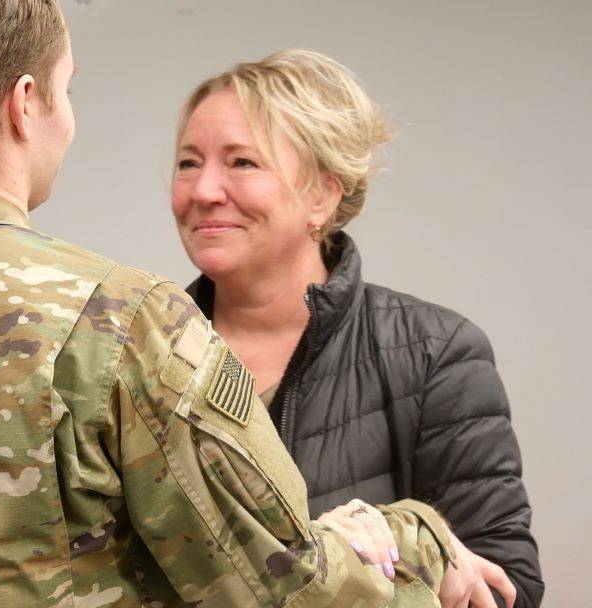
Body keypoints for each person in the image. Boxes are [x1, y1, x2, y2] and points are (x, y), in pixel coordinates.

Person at [0, 3, 455, 606]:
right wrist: (413, 539)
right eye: (65, 89)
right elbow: (285, 592)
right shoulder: (122, 322)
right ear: (24, 105)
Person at [171, 49, 543, 607]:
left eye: (242, 163)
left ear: (322, 194)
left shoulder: (434, 354)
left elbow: (507, 589)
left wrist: (394, 535)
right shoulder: (137, 353)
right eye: (188, 163)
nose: (203, 191)